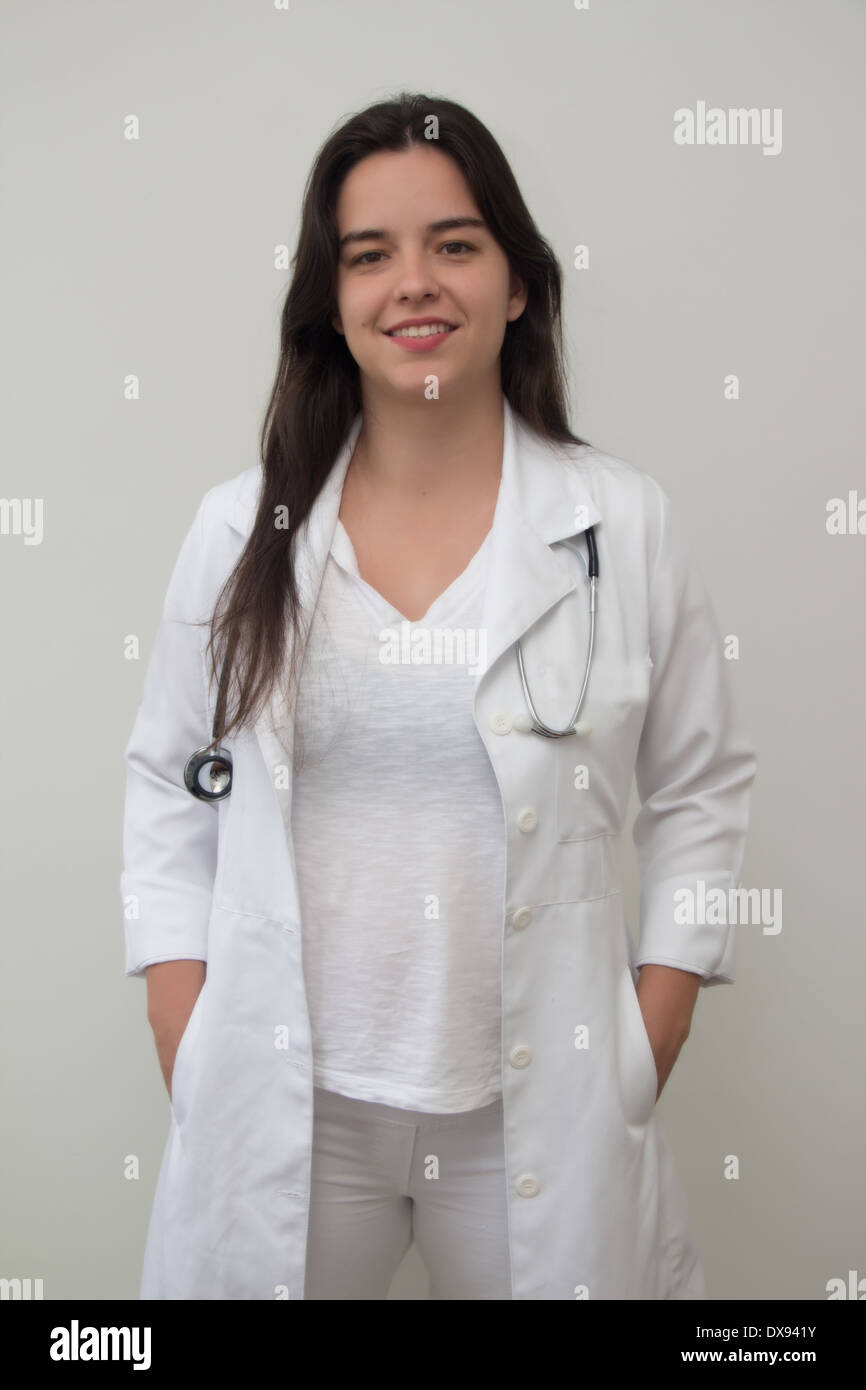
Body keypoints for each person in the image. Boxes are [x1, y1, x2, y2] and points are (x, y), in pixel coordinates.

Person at [121, 91, 757, 1300]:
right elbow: (168, 778)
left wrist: (652, 1020)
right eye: (371, 255)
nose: (412, 283)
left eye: (453, 245)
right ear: (334, 302)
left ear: (515, 285)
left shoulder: (617, 523)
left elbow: (700, 780)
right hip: (294, 1107)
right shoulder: (237, 528)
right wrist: (185, 1030)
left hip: (535, 1103)